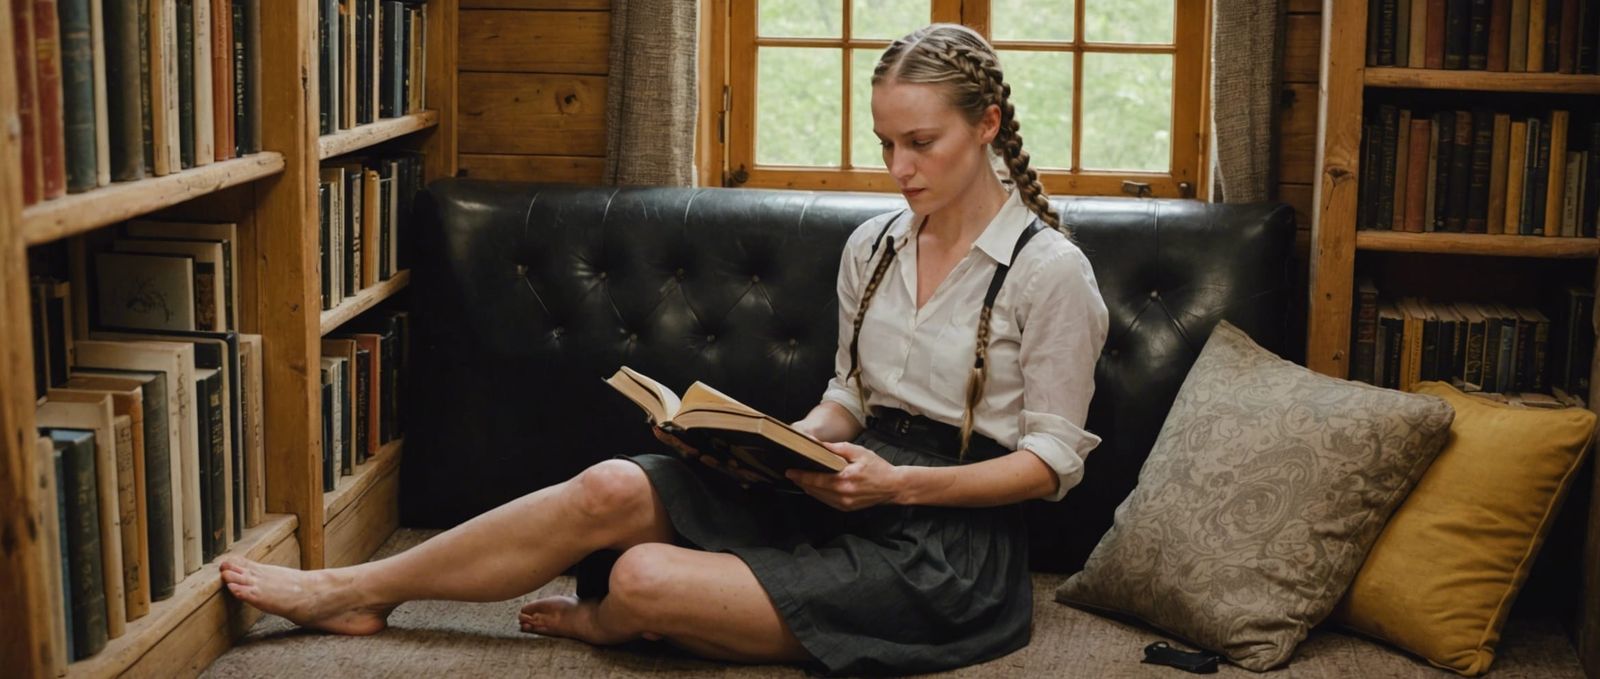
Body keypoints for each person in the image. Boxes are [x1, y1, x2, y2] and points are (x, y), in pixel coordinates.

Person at [219, 23, 1108, 676]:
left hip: (947, 549)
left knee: (641, 578)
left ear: (987, 125)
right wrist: (779, 444)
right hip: (846, 486)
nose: (898, 167)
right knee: (613, 481)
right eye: (885, 143)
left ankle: (613, 621)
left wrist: (900, 483)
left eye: (922, 143)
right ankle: (358, 590)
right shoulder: (873, 245)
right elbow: (849, 394)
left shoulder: (1049, 272)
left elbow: (1048, 463)